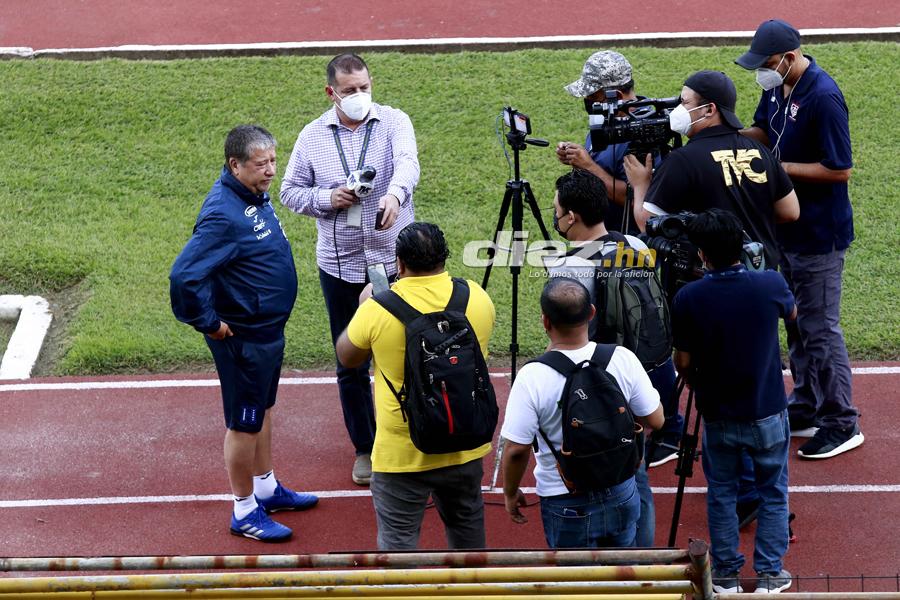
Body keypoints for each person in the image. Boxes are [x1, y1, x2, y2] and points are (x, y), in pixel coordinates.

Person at [623, 69, 800, 529]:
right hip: (762, 288)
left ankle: (744, 490)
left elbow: (648, 224)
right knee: (758, 377)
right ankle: (762, 488)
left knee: (716, 386)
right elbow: (790, 210)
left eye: (684, 101)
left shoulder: (685, 161)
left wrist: (641, 183)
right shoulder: (758, 151)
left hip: (708, 289)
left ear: (709, 109)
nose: (678, 109)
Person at [170, 125, 318, 543]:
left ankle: (266, 488)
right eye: (260, 164)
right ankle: (244, 509)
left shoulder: (252, 196)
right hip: (243, 339)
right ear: (235, 165)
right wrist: (209, 322)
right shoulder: (223, 214)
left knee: (263, 410)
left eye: (273, 161)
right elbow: (184, 276)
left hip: (266, 333)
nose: (271, 170)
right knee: (245, 422)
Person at [281, 53, 420, 485]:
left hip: (396, 262)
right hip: (340, 265)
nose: (359, 95)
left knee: (409, 353)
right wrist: (328, 199)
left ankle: (414, 438)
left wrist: (395, 196)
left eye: (364, 87)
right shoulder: (311, 137)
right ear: (331, 93)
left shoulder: (394, 121)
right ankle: (366, 448)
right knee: (351, 361)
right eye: (349, 90)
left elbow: (408, 163)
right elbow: (289, 191)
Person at [735, 19, 863, 460]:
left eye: (767, 63)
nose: (762, 72)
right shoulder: (778, 86)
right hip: (785, 230)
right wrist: (724, 136)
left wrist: (778, 168)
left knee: (819, 329)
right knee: (795, 323)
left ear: (789, 58)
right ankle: (807, 404)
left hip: (819, 235)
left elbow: (840, 168)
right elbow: (762, 130)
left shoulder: (823, 97)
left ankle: (841, 421)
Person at [335, 222, 495, 550]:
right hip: (464, 443)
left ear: (399, 263)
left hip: (401, 454)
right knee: (469, 540)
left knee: (398, 549)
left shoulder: (377, 308)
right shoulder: (476, 296)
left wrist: (365, 306)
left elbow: (347, 357)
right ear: (444, 258)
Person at [543, 168, 679, 545]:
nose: (555, 216)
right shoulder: (635, 246)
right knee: (635, 466)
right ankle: (643, 556)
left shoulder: (568, 268)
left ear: (572, 216)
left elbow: (561, 338)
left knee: (602, 468)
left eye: (557, 210)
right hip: (644, 370)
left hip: (599, 384)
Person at [671, 208, 795, 594]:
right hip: (768, 412)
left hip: (718, 415)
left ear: (701, 254)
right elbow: (792, 311)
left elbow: (682, 362)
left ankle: (725, 575)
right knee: (773, 492)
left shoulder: (688, 297)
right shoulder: (770, 283)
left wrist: (698, 384)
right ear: (741, 245)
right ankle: (770, 574)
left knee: (722, 494)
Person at [500, 277, 663, 548]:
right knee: (623, 570)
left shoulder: (532, 377)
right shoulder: (622, 358)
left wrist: (509, 493)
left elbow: (517, 450)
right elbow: (656, 420)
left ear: (545, 321)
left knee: (575, 574)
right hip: (620, 489)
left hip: (565, 499)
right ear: (591, 312)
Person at [558, 50, 657, 234]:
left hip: (629, 244)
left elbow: (639, 199)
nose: (588, 102)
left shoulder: (645, 133)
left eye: (593, 97)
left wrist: (588, 166)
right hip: (602, 238)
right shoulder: (607, 118)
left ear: (616, 96)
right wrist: (576, 157)